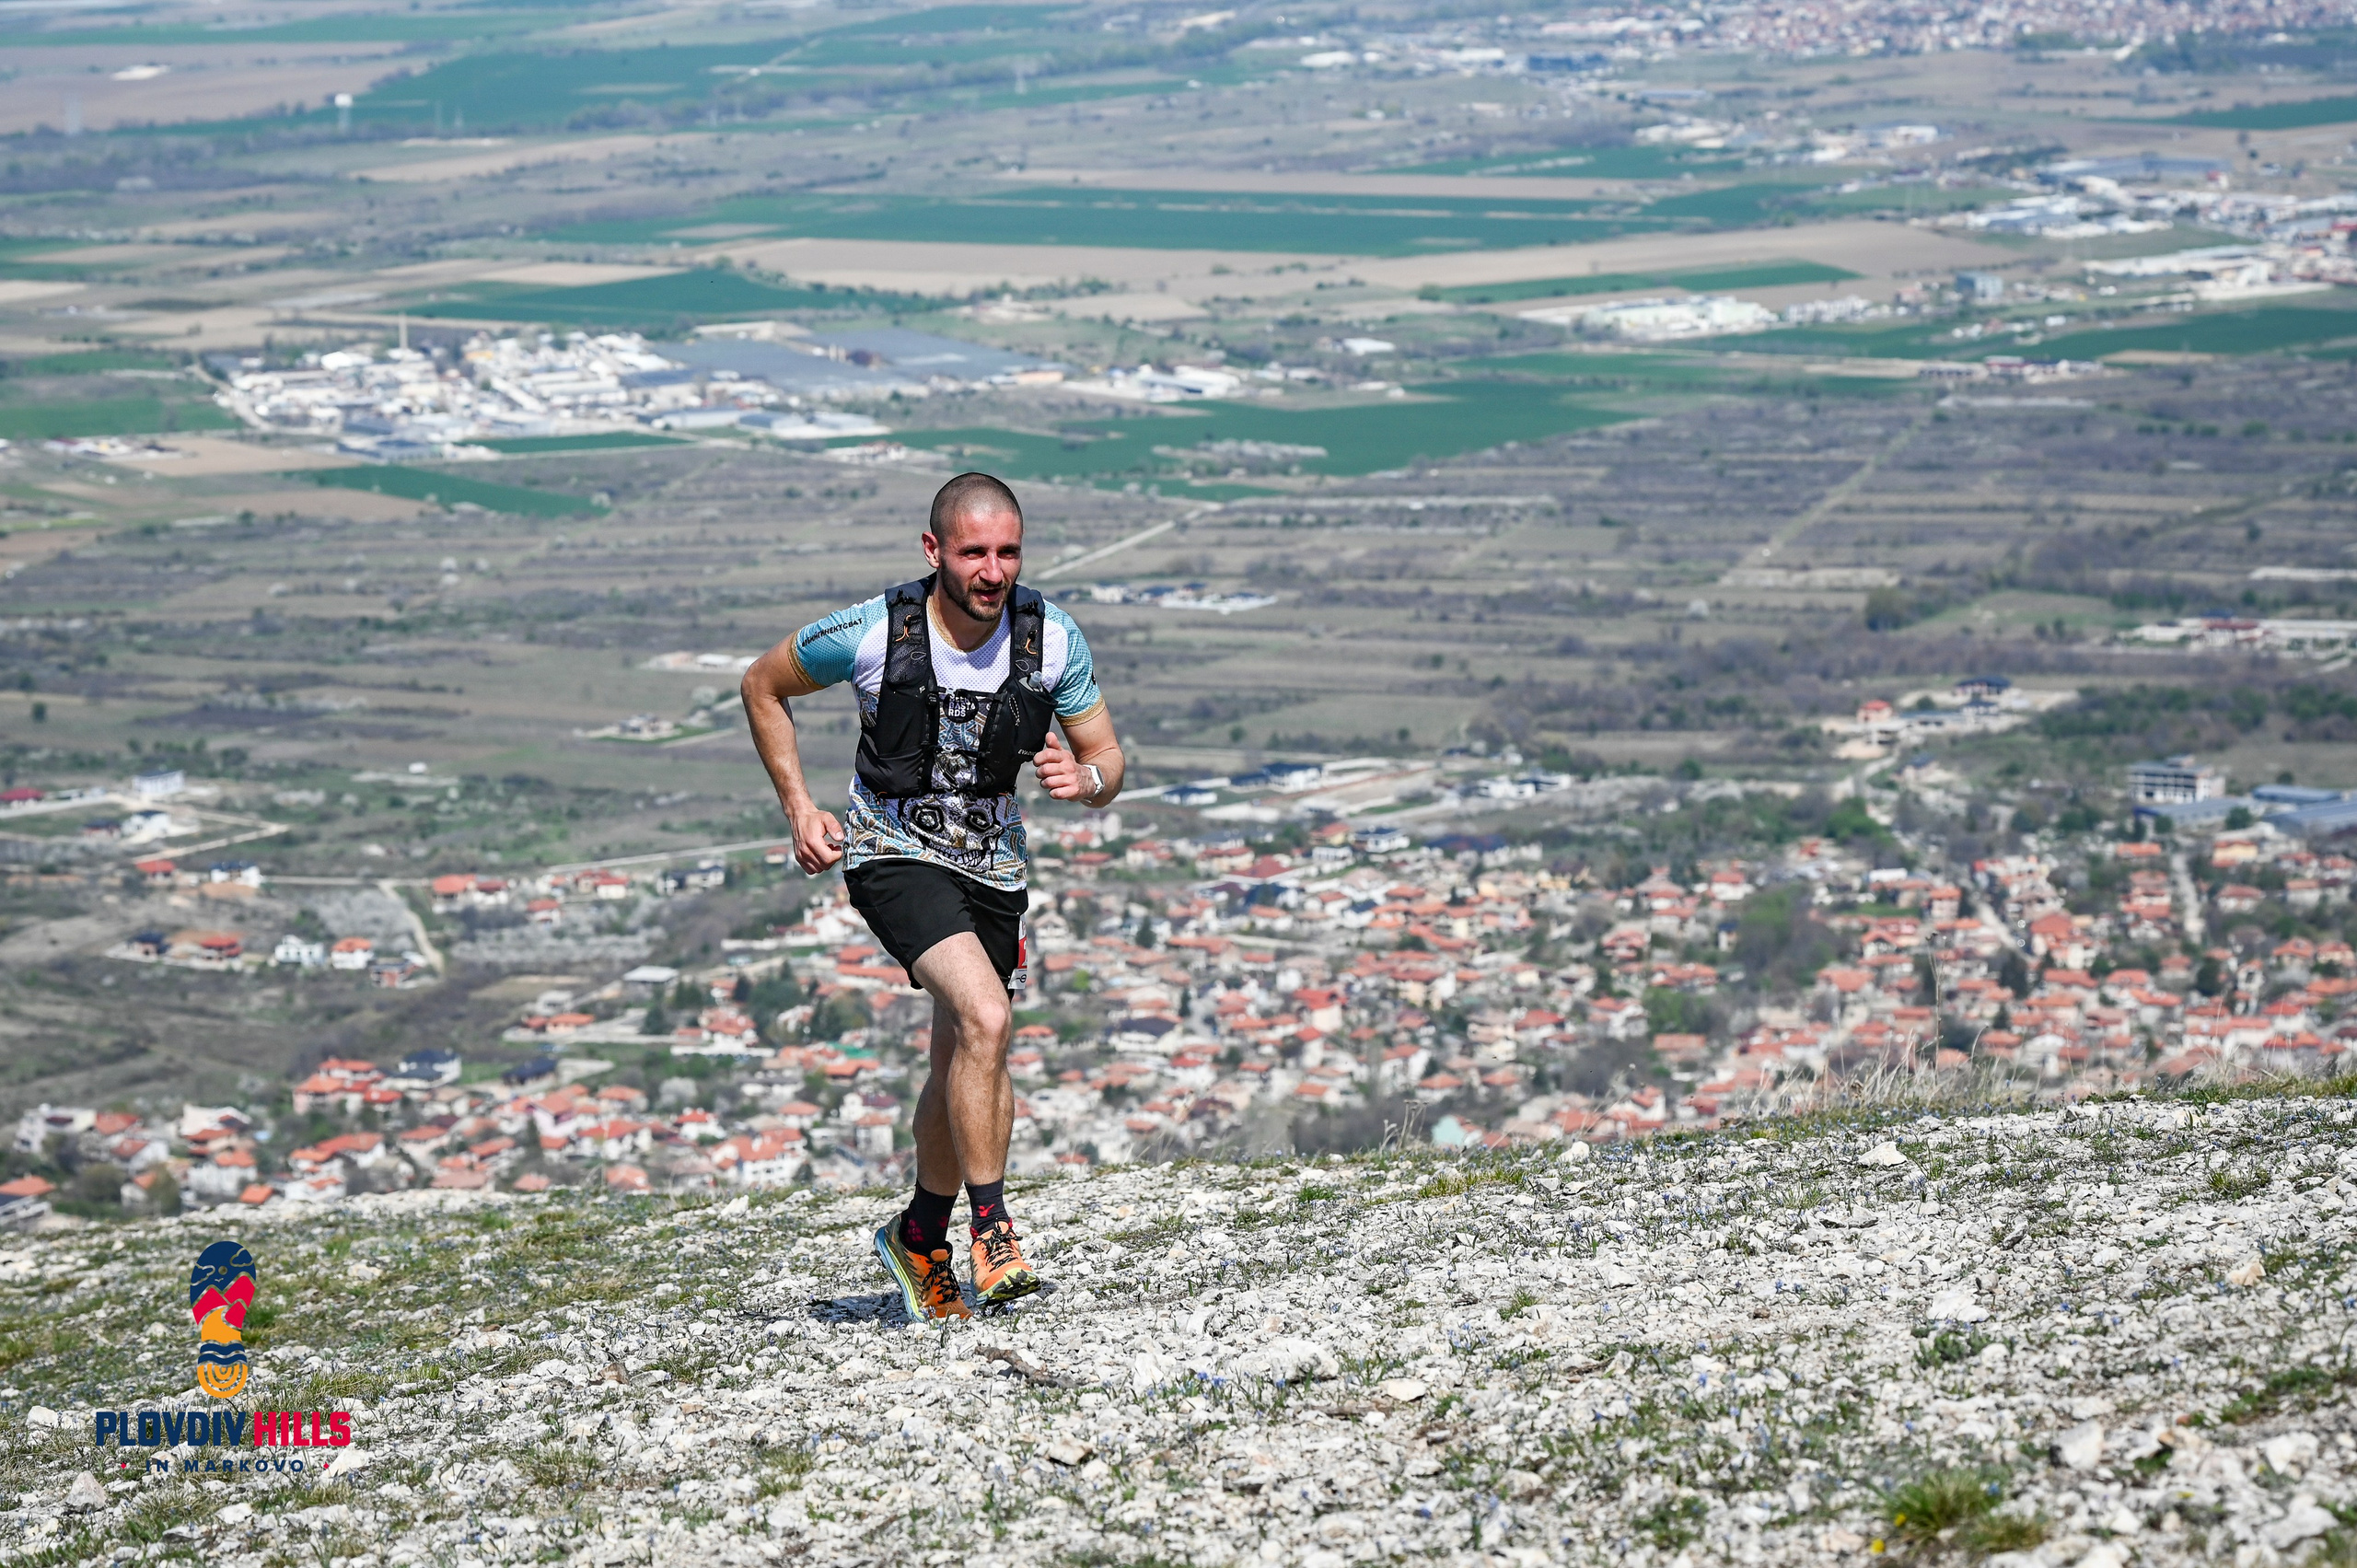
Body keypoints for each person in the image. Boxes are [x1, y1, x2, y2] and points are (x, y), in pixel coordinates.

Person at [742, 472, 1124, 1318]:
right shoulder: (874, 630)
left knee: (962, 1053)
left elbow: (1109, 759)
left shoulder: (1052, 639)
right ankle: (992, 1230)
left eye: (1008, 551)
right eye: (974, 552)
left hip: (995, 865)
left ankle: (919, 1235)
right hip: (892, 849)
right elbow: (762, 685)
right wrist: (800, 808)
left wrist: (1086, 776)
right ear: (934, 551)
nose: (993, 570)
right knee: (987, 1017)